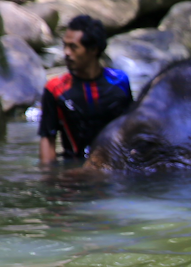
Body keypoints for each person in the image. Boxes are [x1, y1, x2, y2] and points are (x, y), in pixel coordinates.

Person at [38, 15, 132, 163]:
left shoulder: (120, 81)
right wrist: (49, 177)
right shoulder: (55, 88)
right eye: (65, 46)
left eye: (73, 47)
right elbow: (47, 137)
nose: (67, 53)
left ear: (93, 49)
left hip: (114, 167)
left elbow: (129, 128)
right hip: (75, 170)